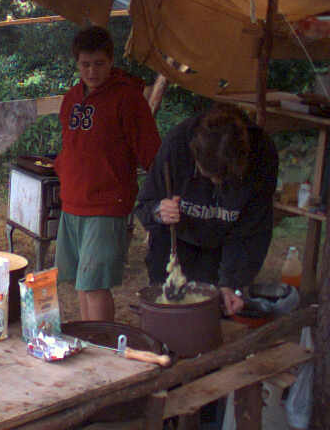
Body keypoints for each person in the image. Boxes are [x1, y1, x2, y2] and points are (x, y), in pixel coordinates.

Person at [54, 26, 161, 321]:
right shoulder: (72, 98)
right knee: (81, 282)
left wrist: (160, 194)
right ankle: (90, 339)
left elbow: (151, 151)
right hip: (73, 201)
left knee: (95, 284)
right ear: (77, 63)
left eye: (99, 64)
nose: (92, 71)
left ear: (111, 61)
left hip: (106, 203)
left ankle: (102, 343)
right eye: (85, 64)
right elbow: (69, 144)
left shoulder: (128, 98)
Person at [135, 102, 279, 315]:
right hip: (174, 244)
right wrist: (159, 211)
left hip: (222, 243)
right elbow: (146, 203)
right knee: (168, 312)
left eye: (223, 178)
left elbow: (253, 229)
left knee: (212, 311)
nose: (215, 182)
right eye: (209, 176)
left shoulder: (262, 155)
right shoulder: (177, 145)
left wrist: (232, 283)